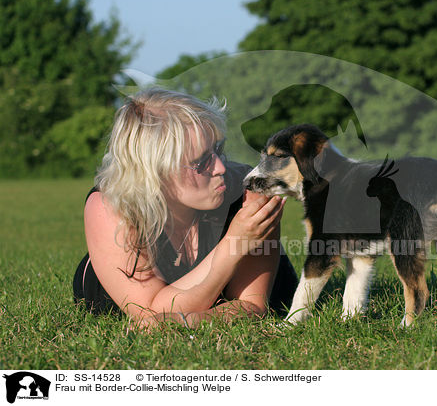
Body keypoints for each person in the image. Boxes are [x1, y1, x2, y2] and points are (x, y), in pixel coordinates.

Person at [72, 88, 298, 328]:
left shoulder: (246, 191)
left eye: (218, 150)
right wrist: (234, 244)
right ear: (155, 171)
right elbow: (151, 312)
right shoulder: (110, 205)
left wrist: (192, 320)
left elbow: (252, 305)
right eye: (200, 162)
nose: (220, 167)